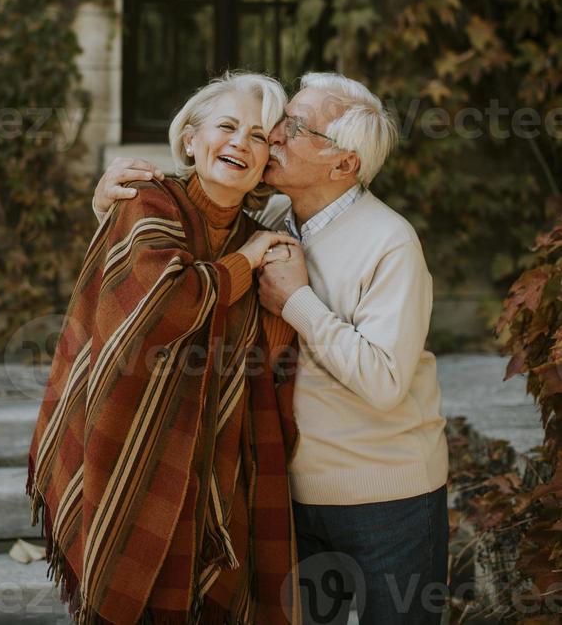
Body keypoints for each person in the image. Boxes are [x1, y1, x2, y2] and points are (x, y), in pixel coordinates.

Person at [93, 72, 450, 625]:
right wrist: (111, 203)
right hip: (289, 492)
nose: (274, 136)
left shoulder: (390, 242)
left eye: (296, 127)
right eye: (281, 123)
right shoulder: (274, 220)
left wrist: (299, 302)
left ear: (344, 164)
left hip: (387, 502)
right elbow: (177, 259)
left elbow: (384, 381)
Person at [27, 71, 305, 625]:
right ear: (190, 141)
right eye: (226, 126)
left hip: (225, 457)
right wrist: (245, 265)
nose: (240, 144)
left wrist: (282, 296)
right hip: (133, 437)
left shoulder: (261, 230)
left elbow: (273, 357)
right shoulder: (151, 202)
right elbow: (165, 307)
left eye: (257, 136)